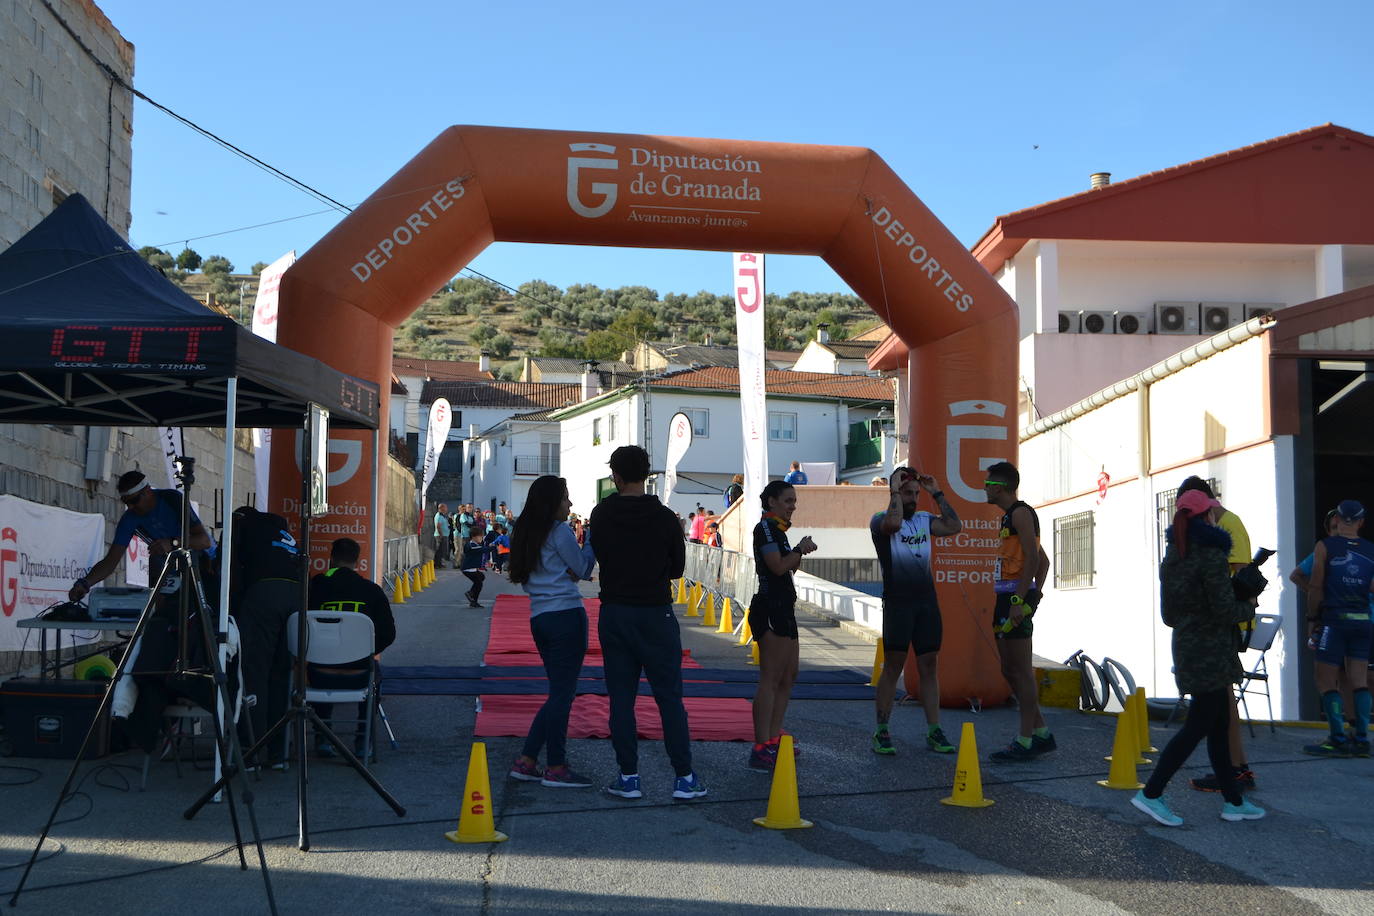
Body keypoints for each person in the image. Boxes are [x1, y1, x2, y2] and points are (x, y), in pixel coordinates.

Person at [1130, 489, 1265, 826]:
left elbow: (1169, 615)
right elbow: (1223, 609)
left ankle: (1233, 801)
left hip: (1189, 646)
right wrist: (1248, 604)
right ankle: (1151, 793)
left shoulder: (1173, 556)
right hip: (1212, 652)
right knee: (1198, 726)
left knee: (1217, 726)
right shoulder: (1211, 555)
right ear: (1207, 516)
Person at [68, 471, 215, 753]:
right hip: (167, 568)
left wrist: (172, 543)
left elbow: (204, 540)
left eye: (134, 501)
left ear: (148, 491)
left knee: (192, 635)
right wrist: (85, 583)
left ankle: (191, 689)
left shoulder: (171, 499)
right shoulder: (131, 518)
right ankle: (157, 710)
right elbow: (112, 561)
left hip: (201, 568)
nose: (131, 508)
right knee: (159, 633)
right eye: (126, 503)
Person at [589, 445, 706, 800]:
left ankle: (629, 777)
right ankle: (684, 778)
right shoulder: (666, 517)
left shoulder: (602, 514)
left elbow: (598, 556)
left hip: (616, 613)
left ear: (616, 477)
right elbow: (677, 568)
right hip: (656, 612)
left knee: (621, 701)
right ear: (646, 475)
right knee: (669, 699)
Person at [506, 475, 598, 788]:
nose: (569, 505)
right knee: (563, 694)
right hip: (566, 616)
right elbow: (583, 569)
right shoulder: (560, 531)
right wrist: (592, 543)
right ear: (552, 502)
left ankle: (528, 759)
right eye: (565, 499)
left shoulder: (526, 531)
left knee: (558, 693)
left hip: (540, 617)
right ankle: (556, 765)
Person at [870, 467, 962, 756]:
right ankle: (882, 731)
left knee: (929, 667)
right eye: (907, 493)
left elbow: (955, 526)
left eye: (915, 494)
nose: (913, 499)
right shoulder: (879, 520)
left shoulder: (925, 520)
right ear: (896, 492)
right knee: (894, 666)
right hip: (898, 603)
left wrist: (936, 492)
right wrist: (894, 491)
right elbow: (894, 524)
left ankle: (934, 730)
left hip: (926, 603)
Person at [1176, 477, 1256, 792]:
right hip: (1222, 621)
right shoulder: (1220, 524)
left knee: (1221, 701)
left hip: (1230, 623)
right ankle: (1235, 768)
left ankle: (1236, 770)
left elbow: (1238, 568)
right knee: (1221, 700)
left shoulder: (1229, 523)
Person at [984, 461, 1055, 761]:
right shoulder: (1007, 518)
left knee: (1022, 673)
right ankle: (1041, 733)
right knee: (1008, 670)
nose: (984, 487)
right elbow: (1044, 561)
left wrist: (1023, 602)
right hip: (1005, 598)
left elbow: (1033, 560)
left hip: (1014, 600)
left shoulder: (1022, 513)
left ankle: (1025, 740)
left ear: (999, 487)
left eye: (988, 483)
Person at [746, 480, 818, 772]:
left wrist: (798, 551)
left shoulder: (778, 529)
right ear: (772, 501)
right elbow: (777, 566)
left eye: (794, 501)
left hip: (785, 607)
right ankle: (761, 745)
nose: (793, 506)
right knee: (771, 677)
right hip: (770, 607)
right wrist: (800, 548)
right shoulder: (765, 528)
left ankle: (774, 737)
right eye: (788, 500)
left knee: (789, 675)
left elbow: (790, 564)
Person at [307, 537, 396, 759]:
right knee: (375, 675)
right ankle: (362, 740)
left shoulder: (312, 589)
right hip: (359, 673)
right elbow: (388, 633)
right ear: (357, 562)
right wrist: (365, 651)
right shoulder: (372, 591)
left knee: (323, 657)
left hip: (317, 674)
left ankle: (323, 735)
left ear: (331, 559)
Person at [1299, 500, 1374, 757]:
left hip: (1335, 620)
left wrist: (1312, 619)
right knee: (1359, 680)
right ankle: (1362, 739)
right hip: (1362, 620)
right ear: (1361, 522)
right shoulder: (1370, 550)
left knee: (1325, 679)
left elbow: (1316, 585)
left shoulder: (1325, 546)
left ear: (1339, 520)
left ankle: (1337, 739)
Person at [226, 504, 301, 759]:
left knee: (254, 671)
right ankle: (278, 752)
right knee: (281, 673)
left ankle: (251, 748)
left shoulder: (241, 526)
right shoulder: (279, 531)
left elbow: (230, 571)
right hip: (297, 596)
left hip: (264, 594)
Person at [459, 531, 492, 607]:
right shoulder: (472, 545)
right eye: (480, 536)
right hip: (468, 569)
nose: (481, 538)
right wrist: (493, 547)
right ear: (474, 537)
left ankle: (471, 595)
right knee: (479, 583)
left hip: (472, 568)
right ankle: (473, 599)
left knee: (481, 577)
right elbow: (483, 549)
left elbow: (482, 548)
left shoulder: (475, 544)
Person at [433, 503, 452, 568]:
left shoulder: (443, 516)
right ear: (441, 508)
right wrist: (441, 535)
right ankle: (437, 564)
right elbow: (438, 526)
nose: (446, 509)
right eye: (445, 507)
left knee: (442, 550)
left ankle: (439, 563)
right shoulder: (439, 516)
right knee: (439, 550)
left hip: (444, 535)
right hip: (440, 535)